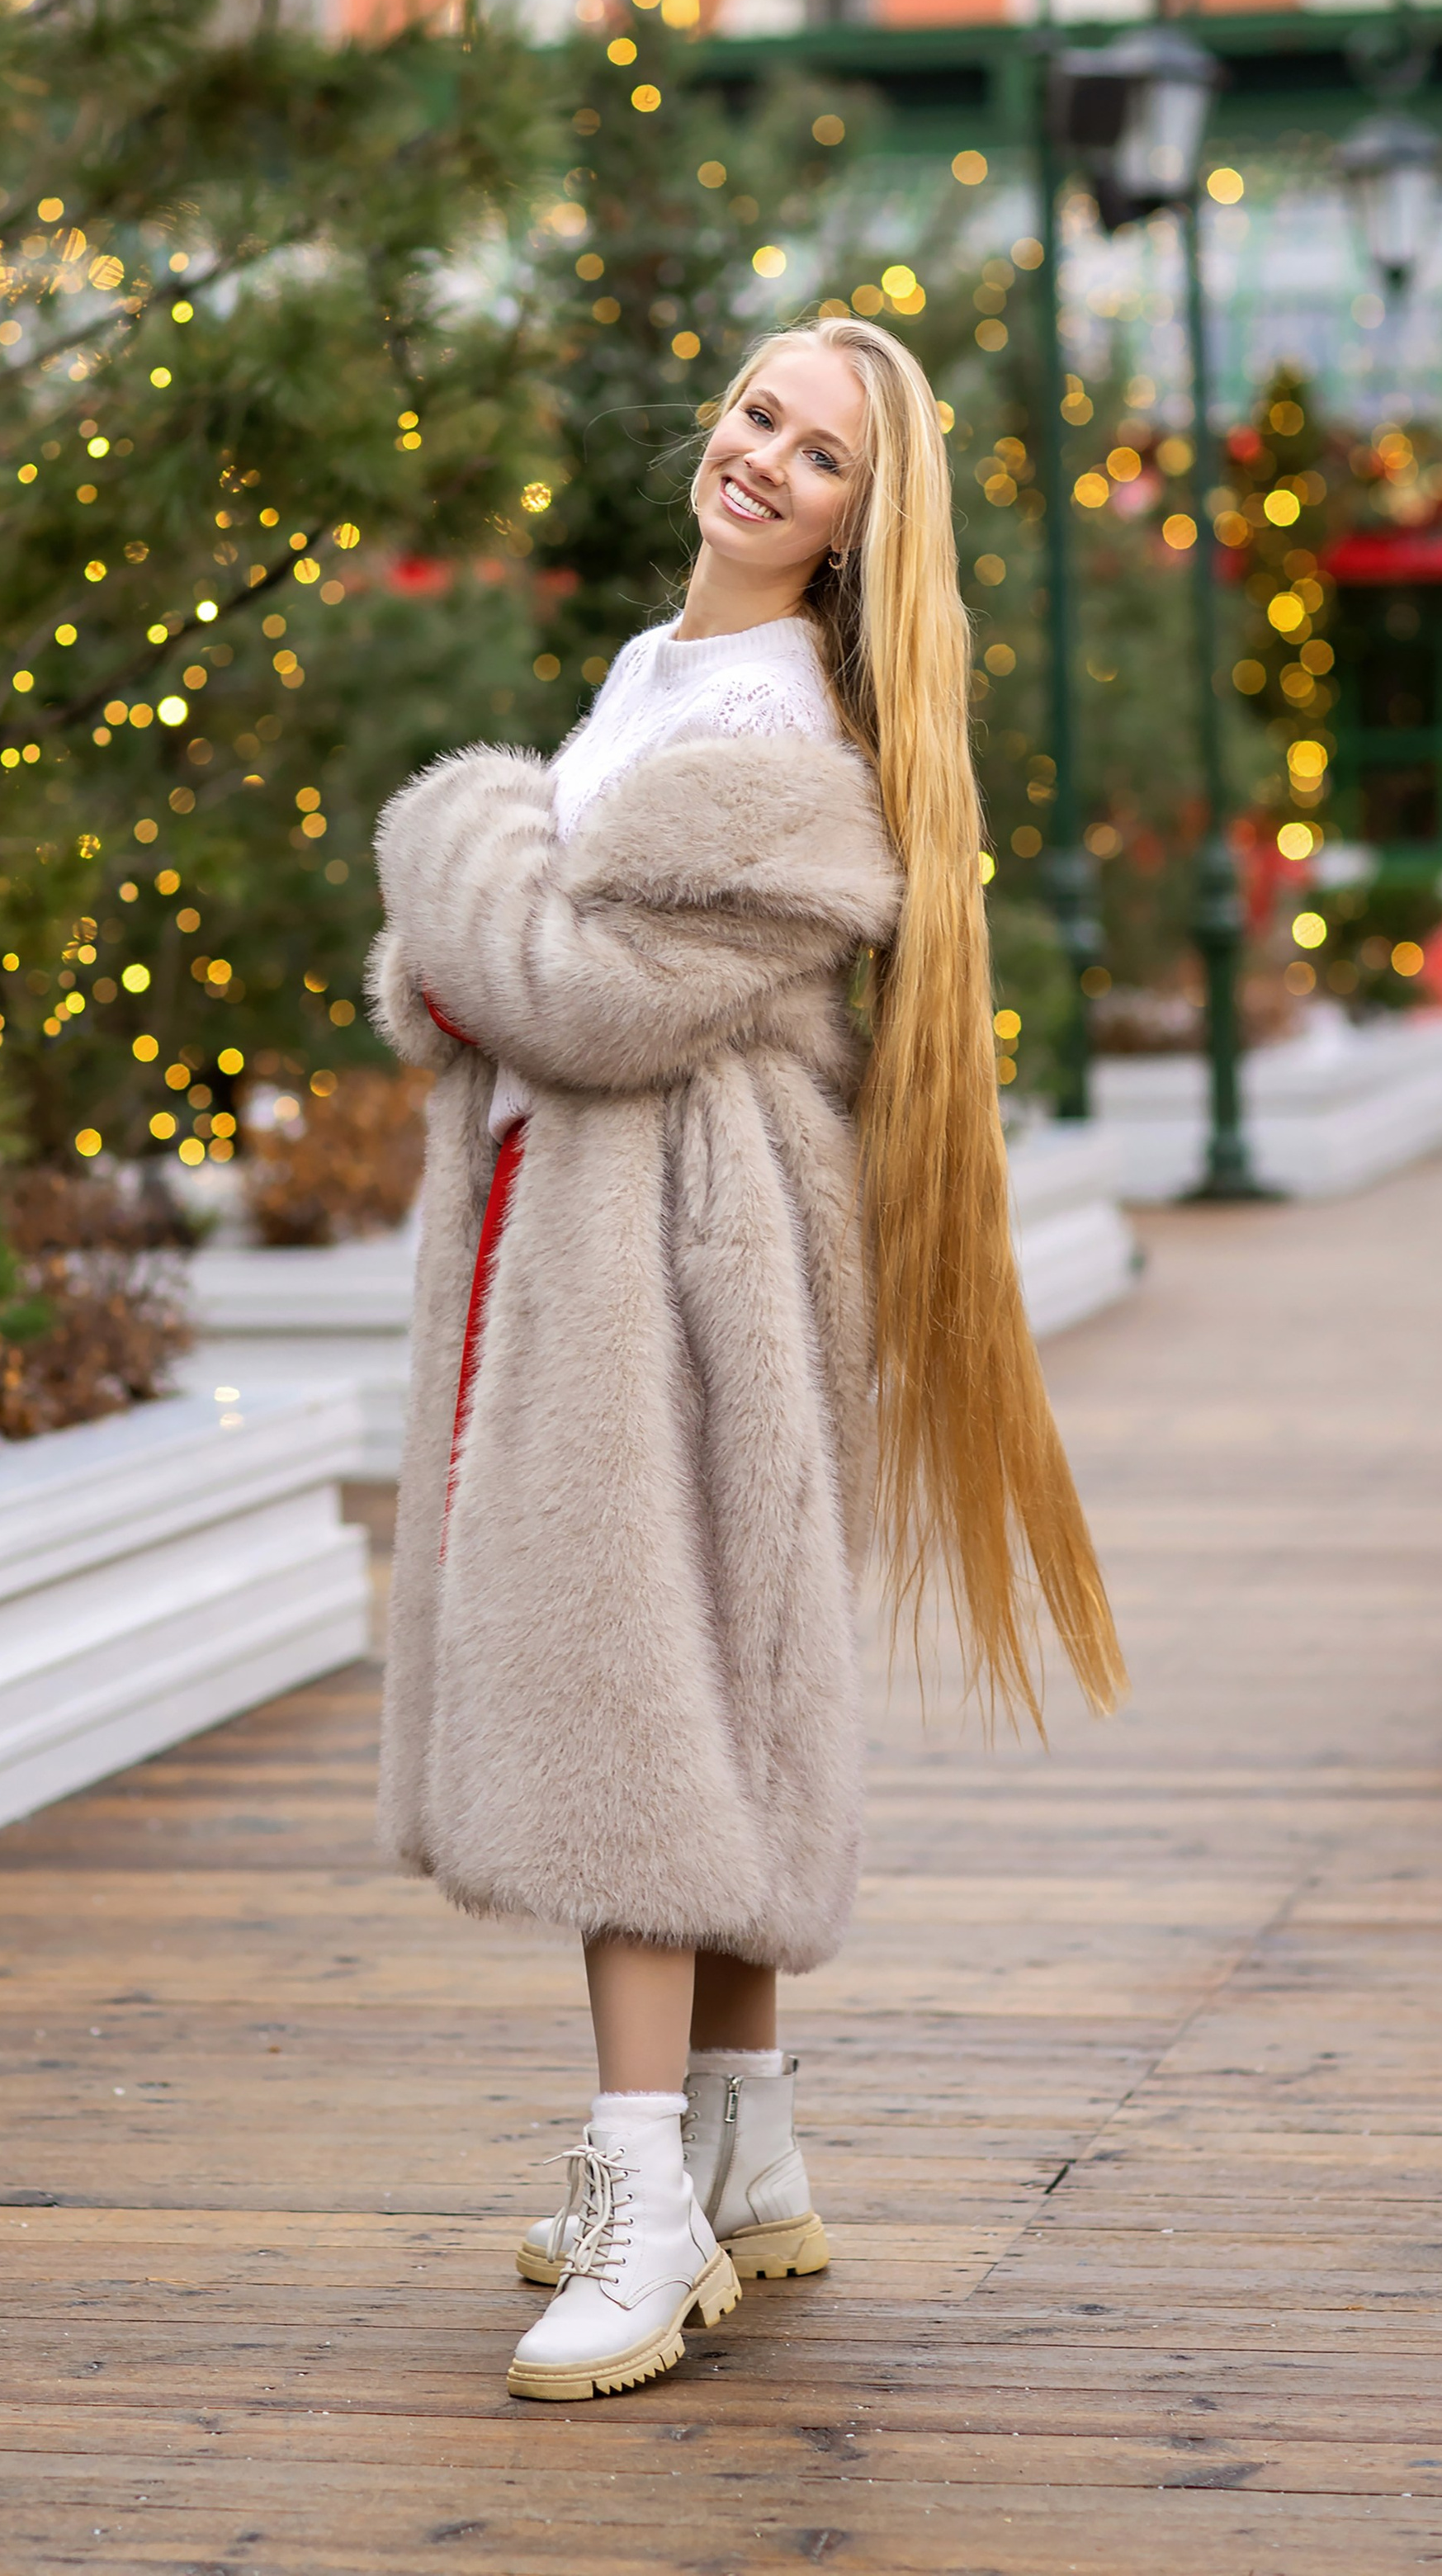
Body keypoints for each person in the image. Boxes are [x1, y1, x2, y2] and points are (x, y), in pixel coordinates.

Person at [366, 314, 1125, 2406]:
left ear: (863, 529)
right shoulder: (654, 673)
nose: (765, 460)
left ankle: (638, 2199)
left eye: (821, 458)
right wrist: (483, 925)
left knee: (638, 1688)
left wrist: (459, 834)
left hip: (680, 1261)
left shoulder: (776, 740)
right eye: (757, 415)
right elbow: (485, 988)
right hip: (616, 1233)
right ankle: (740, 2145)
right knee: (711, 1657)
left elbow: (559, 987)